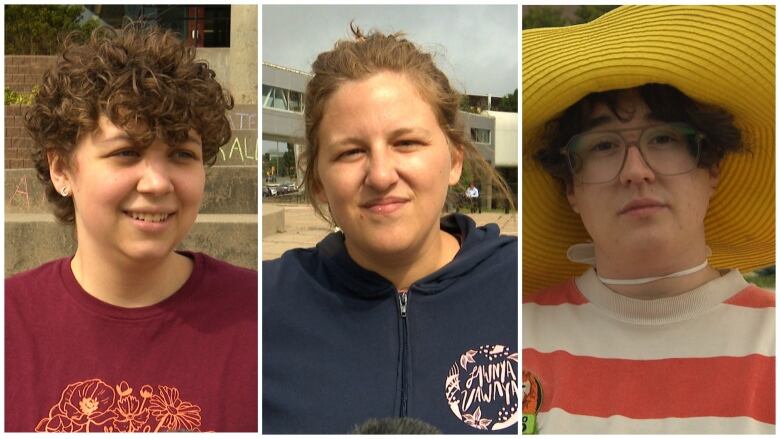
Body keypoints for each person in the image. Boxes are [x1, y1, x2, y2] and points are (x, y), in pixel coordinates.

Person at [521, 6, 774, 434]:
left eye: (663, 138)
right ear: (570, 187)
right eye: (602, 146)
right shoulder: (512, 340)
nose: (635, 170)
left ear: (711, 166)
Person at [263, 26, 518, 434]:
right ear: (317, 181)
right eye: (351, 152)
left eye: (406, 143)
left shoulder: (526, 289)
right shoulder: (263, 310)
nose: (380, 175)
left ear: (454, 160)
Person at [5, 23, 257, 432]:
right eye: (126, 152)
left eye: (181, 153)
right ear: (61, 169)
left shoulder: (260, 318)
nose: (157, 183)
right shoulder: (10, 324)